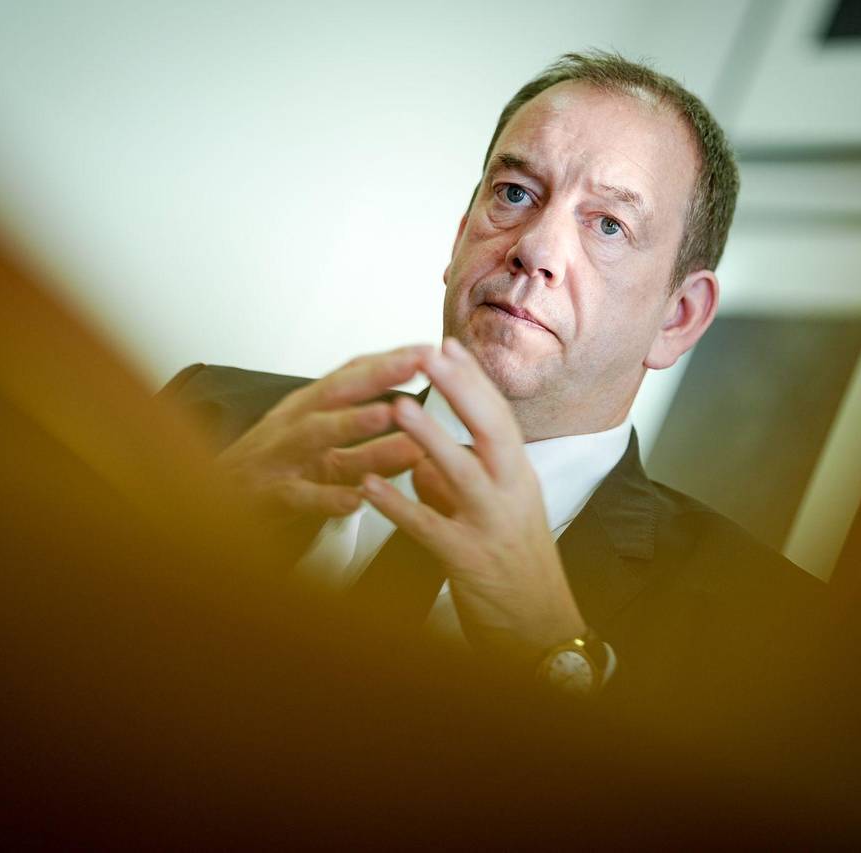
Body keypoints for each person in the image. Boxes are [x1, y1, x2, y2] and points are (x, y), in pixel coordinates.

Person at [162, 51, 823, 705]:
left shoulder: (777, 631)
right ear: (459, 241)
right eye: (514, 194)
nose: (534, 248)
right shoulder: (209, 414)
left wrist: (554, 652)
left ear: (677, 318)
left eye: (609, 225)